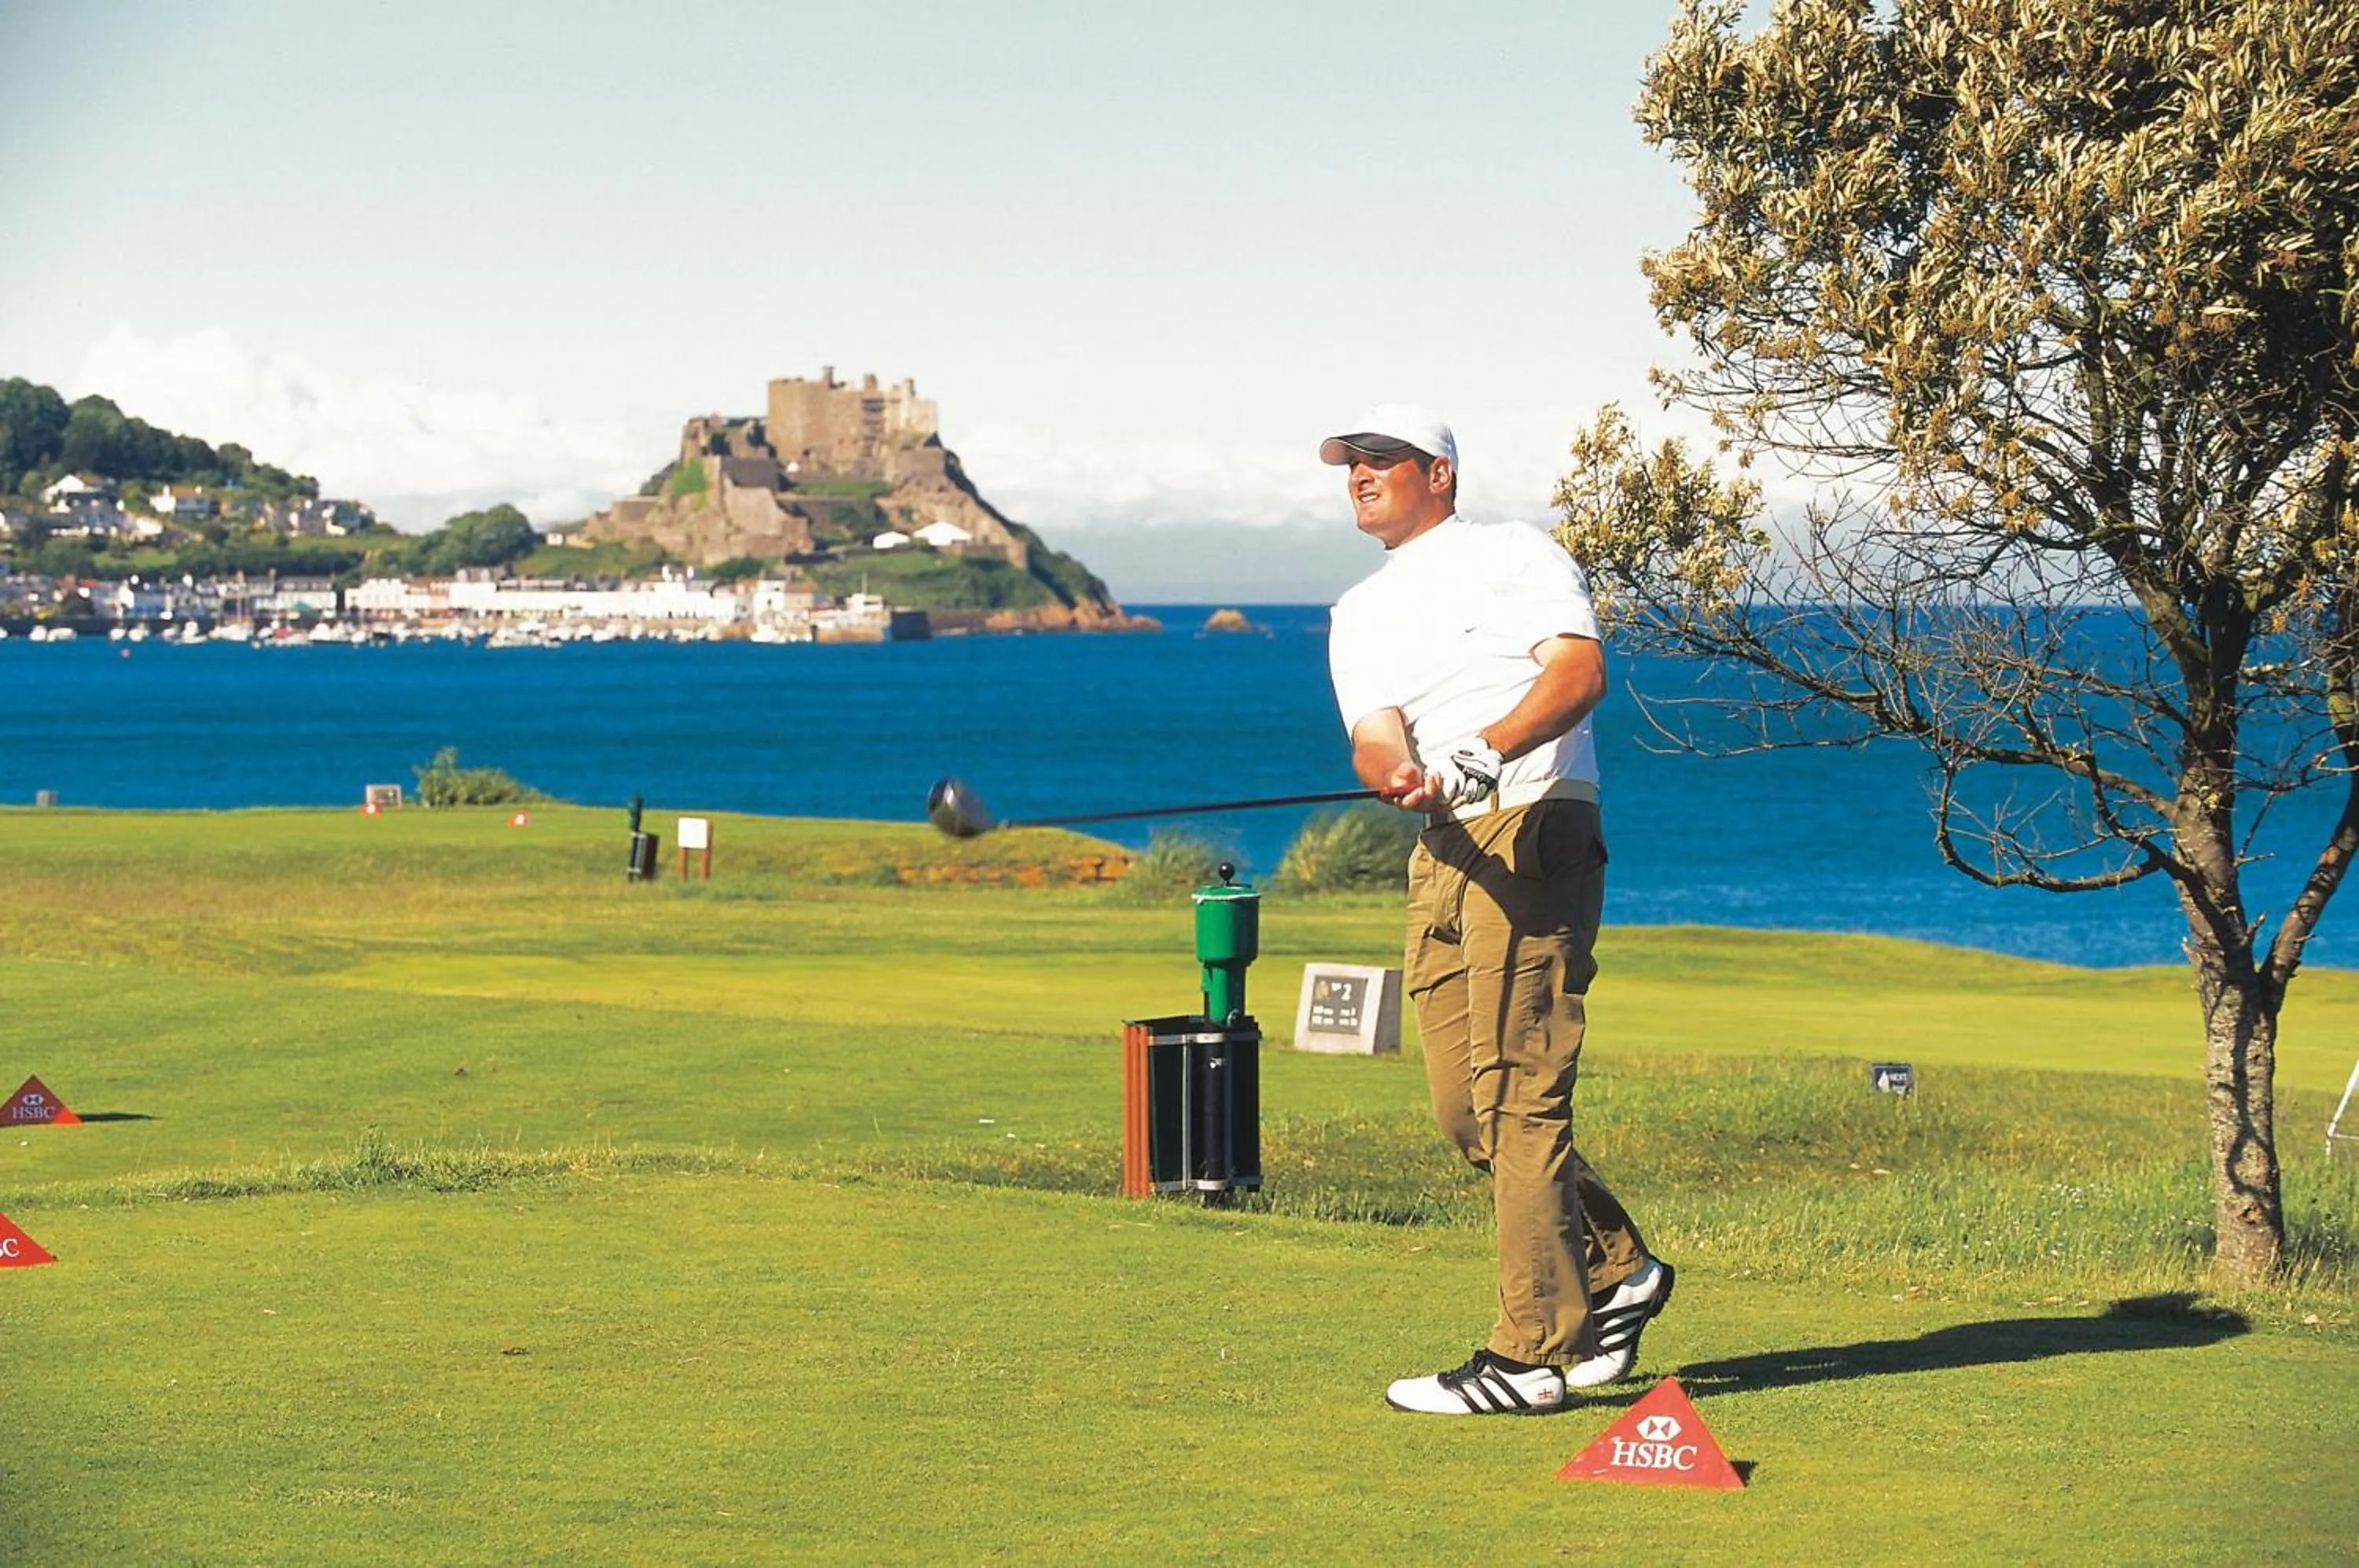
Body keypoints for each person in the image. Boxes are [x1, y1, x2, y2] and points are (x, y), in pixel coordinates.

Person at [1319, 405, 1674, 1415]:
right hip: (1446, 843)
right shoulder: (1358, 611)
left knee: (1522, 1092)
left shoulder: (1516, 553)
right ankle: (1621, 1265)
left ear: (1439, 472)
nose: (1360, 474)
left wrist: (1489, 744)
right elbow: (1375, 736)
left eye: (1381, 458)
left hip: (1535, 821)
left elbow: (1578, 673)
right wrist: (1404, 774)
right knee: (1465, 1108)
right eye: (1351, 462)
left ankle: (1526, 1356)